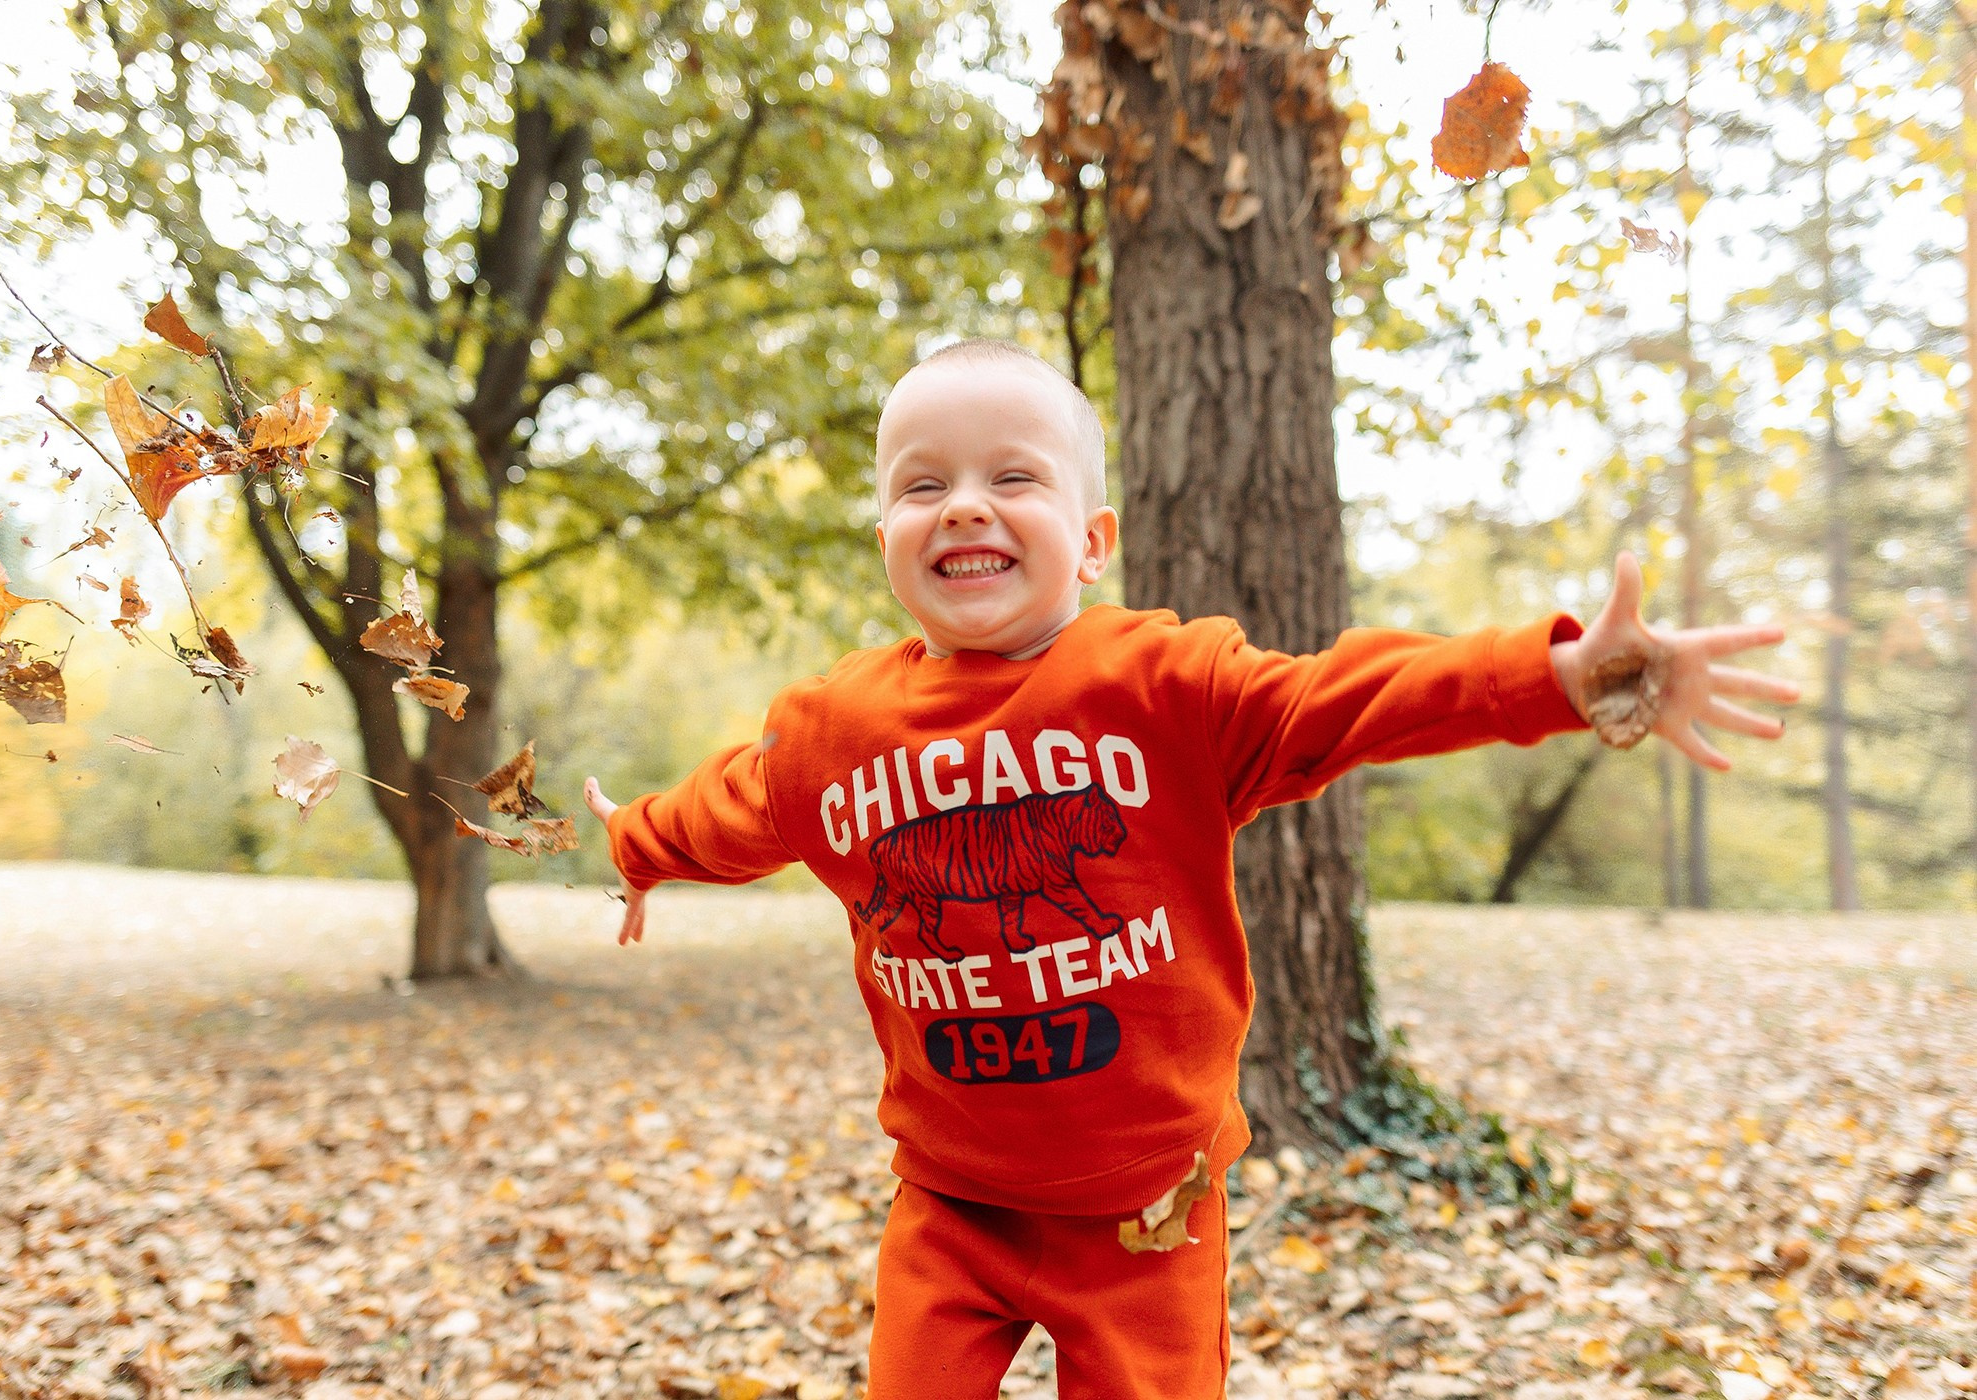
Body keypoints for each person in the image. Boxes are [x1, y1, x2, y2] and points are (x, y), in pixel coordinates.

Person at [582, 339, 1798, 1399]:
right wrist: (636, 844)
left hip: (1147, 1210)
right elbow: (729, 804)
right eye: (922, 485)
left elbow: (1352, 695)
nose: (963, 506)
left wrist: (1562, 675)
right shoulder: (835, 732)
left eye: (1013, 477)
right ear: (886, 536)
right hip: (951, 1201)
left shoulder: (1167, 691)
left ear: (1094, 541)